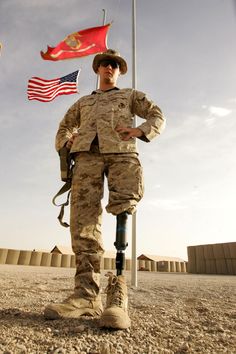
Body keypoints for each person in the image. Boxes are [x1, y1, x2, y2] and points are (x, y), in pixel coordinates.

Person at [44, 49, 165, 329]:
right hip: (86, 157)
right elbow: (64, 126)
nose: (108, 68)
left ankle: (117, 295)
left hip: (122, 153)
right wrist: (66, 143)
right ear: (98, 70)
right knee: (83, 225)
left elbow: (156, 114)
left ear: (119, 71)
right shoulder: (84, 102)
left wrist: (141, 130)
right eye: (104, 64)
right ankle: (86, 297)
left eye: (114, 65)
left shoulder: (130, 96)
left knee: (123, 209)